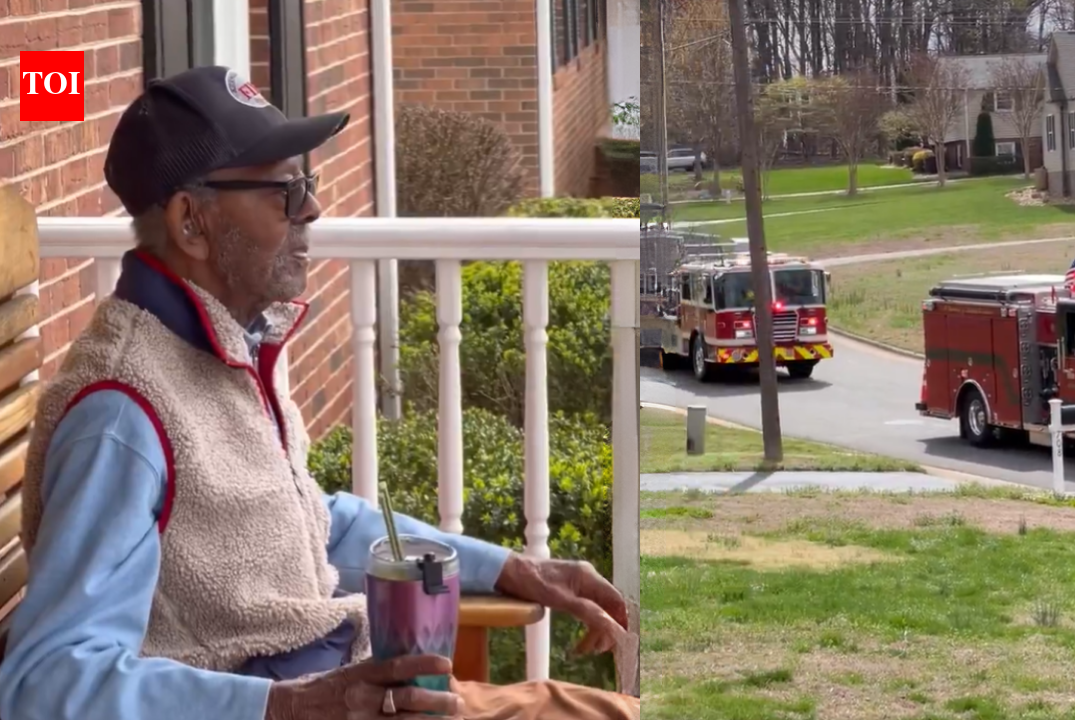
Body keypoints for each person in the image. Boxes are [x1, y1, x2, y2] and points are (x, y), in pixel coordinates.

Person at [0, 66, 638, 720]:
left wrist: (513, 568)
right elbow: (43, 684)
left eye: (305, 184)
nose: (312, 208)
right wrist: (287, 705)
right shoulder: (122, 416)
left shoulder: (226, 346)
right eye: (283, 191)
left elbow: (303, 520)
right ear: (191, 223)